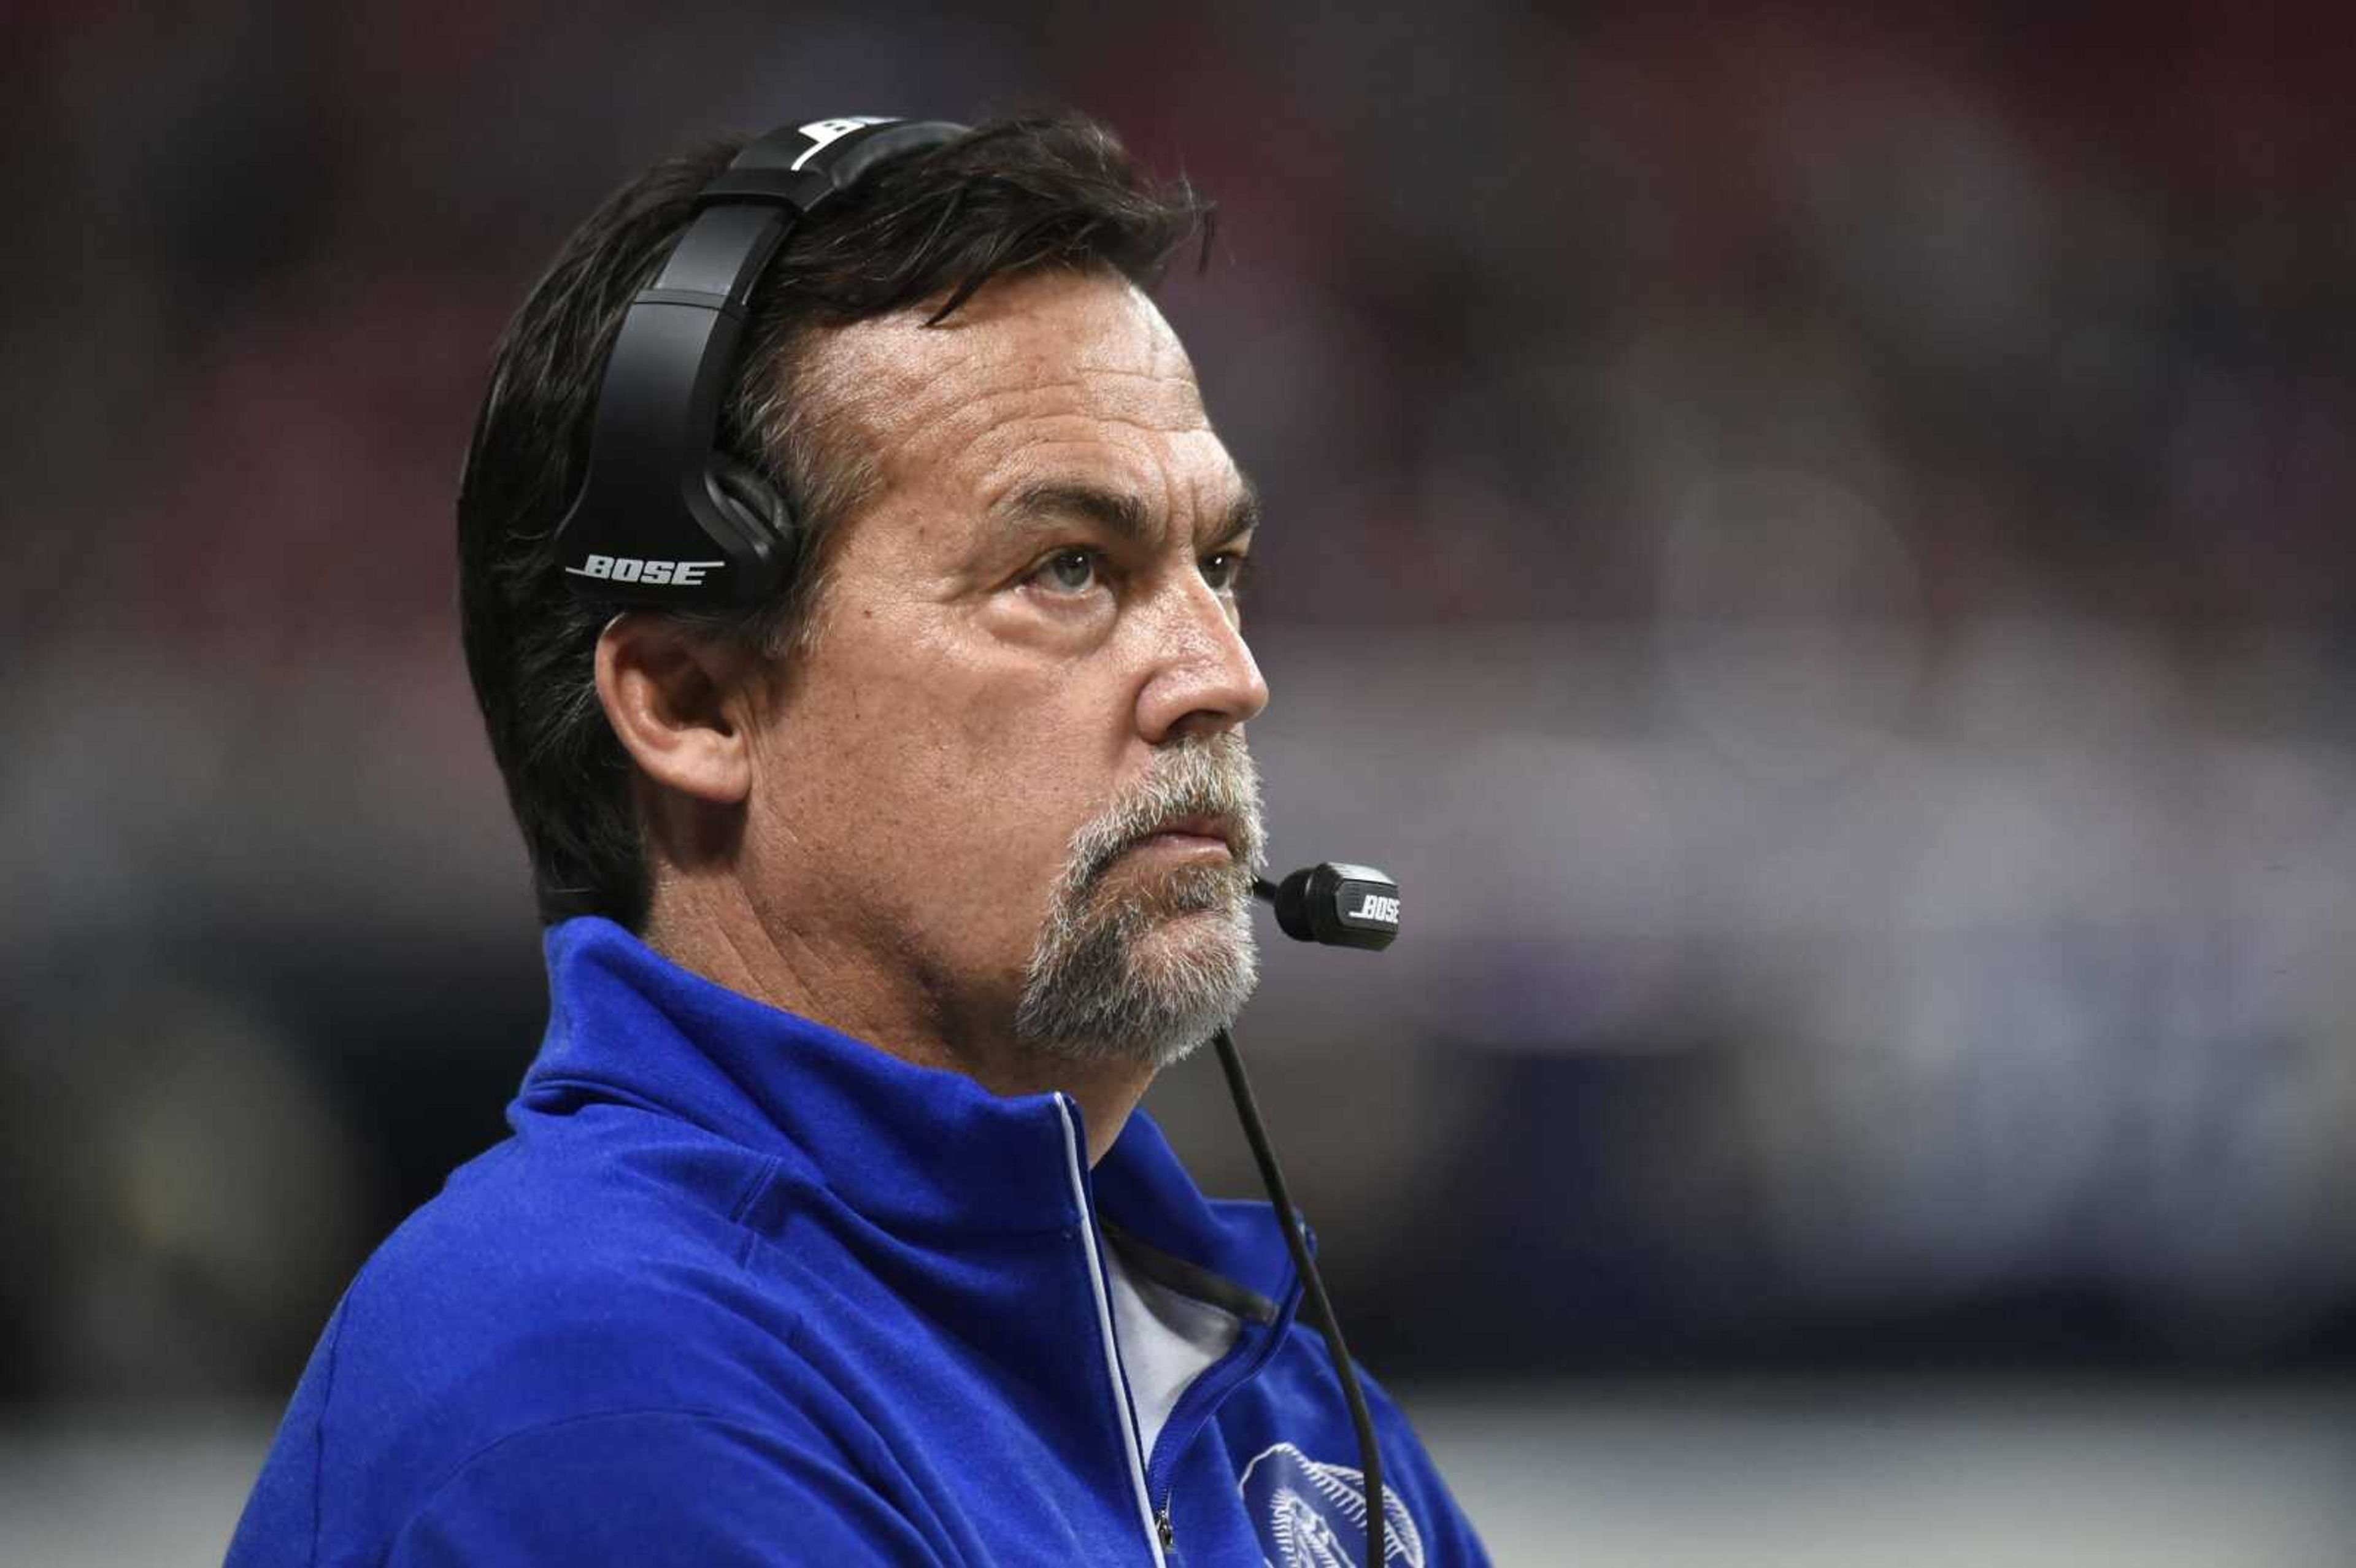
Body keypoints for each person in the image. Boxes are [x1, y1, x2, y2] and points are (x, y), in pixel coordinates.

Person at [227, 110, 1488, 1566]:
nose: (1224, 674)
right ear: (694, 702)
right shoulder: (599, 1389)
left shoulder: (1275, 1394)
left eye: (1219, 565)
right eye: (1068, 569)